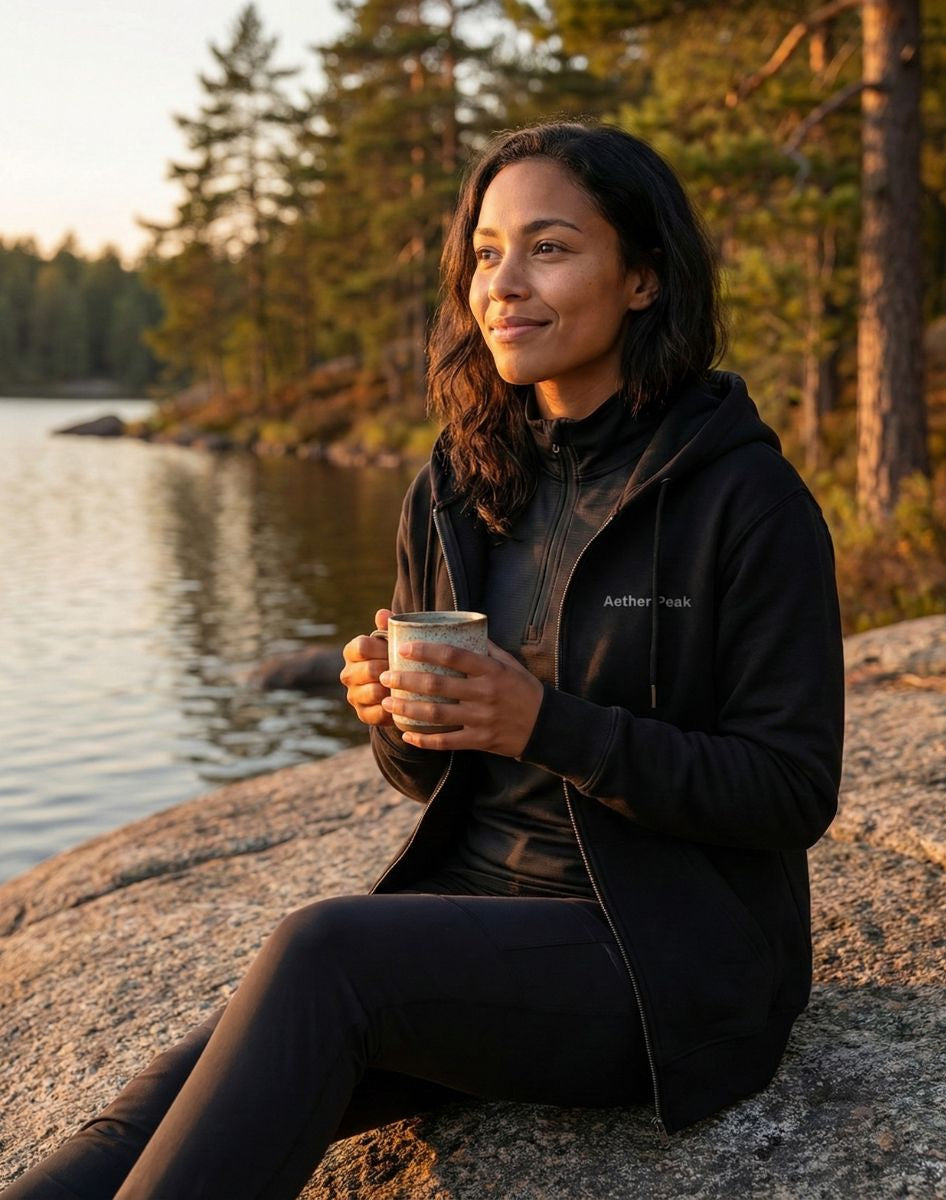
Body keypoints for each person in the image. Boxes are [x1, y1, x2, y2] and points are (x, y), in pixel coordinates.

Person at [2, 119, 845, 1199]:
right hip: (472, 921)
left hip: (664, 958)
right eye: (487, 253)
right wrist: (393, 717)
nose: (505, 284)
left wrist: (541, 722)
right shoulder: (463, 477)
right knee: (148, 1114)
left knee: (324, 955)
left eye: (550, 248)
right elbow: (428, 776)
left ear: (641, 277)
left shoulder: (744, 499)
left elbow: (788, 790)